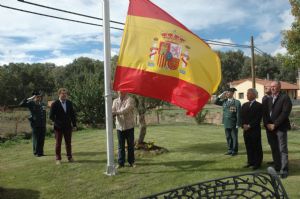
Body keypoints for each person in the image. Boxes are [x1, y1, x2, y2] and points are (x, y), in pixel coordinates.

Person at [263, 81, 292, 178]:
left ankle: (284, 169)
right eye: (271, 87)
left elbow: (285, 113)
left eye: (274, 86)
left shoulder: (285, 98)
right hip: (269, 128)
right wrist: (267, 124)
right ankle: (277, 166)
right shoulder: (269, 98)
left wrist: (275, 124)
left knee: (282, 149)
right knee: (274, 148)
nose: (272, 88)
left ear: (279, 87)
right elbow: (266, 113)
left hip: (280, 128)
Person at [49, 88, 77, 165]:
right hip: (58, 127)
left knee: (68, 143)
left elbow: (72, 115)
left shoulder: (69, 103)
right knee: (58, 143)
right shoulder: (54, 104)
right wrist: (57, 121)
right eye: (62, 93)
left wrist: (74, 125)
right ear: (59, 94)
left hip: (68, 126)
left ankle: (70, 157)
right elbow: (51, 116)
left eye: (65, 94)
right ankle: (58, 158)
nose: (64, 95)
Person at [241, 88, 263, 170]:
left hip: (255, 130)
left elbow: (258, 118)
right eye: (247, 93)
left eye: (249, 93)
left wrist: (249, 125)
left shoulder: (259, 106)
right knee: (248, 146)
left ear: (254, 95)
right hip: (246, 130)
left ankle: (257, 163)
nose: (247, 95)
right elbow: (241, 117)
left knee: (256, 146)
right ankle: (250, 162)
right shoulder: (244, 105)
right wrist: (243, 125)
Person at [112, 91, 136, 168]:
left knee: (130, 145)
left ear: (125, 91)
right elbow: (112, 110)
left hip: (129, 126)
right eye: (119, 91)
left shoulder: (130, 99)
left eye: (122, 90)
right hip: (119, 127)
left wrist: (115, 112)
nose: (120, 92)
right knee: (120, 146)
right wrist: (113, 112)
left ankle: (131, 162)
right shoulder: (115, 101)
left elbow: (126, 110)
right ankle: (120, 163)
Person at [215, 88, 241, 156]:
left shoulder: (236, 102)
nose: (227, 94)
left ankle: (235, 151)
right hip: (226, 122)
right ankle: (230, 150)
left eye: (228, 92)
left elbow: (238, 113)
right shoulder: (224, 101)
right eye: (226, 93)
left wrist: (238, 123)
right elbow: (215, 102)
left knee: (234, 137)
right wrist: (221, 95)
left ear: (232, 93)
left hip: (233, 123)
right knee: (228, 137)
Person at [19, 91, 46, 157]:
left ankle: (41, 152)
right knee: (36, 139)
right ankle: (36, 152)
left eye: (39, 96)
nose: (38, 98)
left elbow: (44, 114)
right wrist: (30, 98)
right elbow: (21, 104)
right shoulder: (31, 103)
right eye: (37, 96)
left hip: (42, 124)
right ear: (34, 97)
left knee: (41, 139)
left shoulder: (42, 104)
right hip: (35, 124)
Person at [262, 86, 273, 165]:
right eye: (265, 88)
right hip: (267, 124)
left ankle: (279, 160)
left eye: (267, 88)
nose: (266, 89)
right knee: (271, 142)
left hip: (275, 123)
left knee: (278, 143)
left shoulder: (274, 97)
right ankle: (274, 159)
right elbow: (264, 112)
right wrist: (266, 123)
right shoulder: (264, 98)